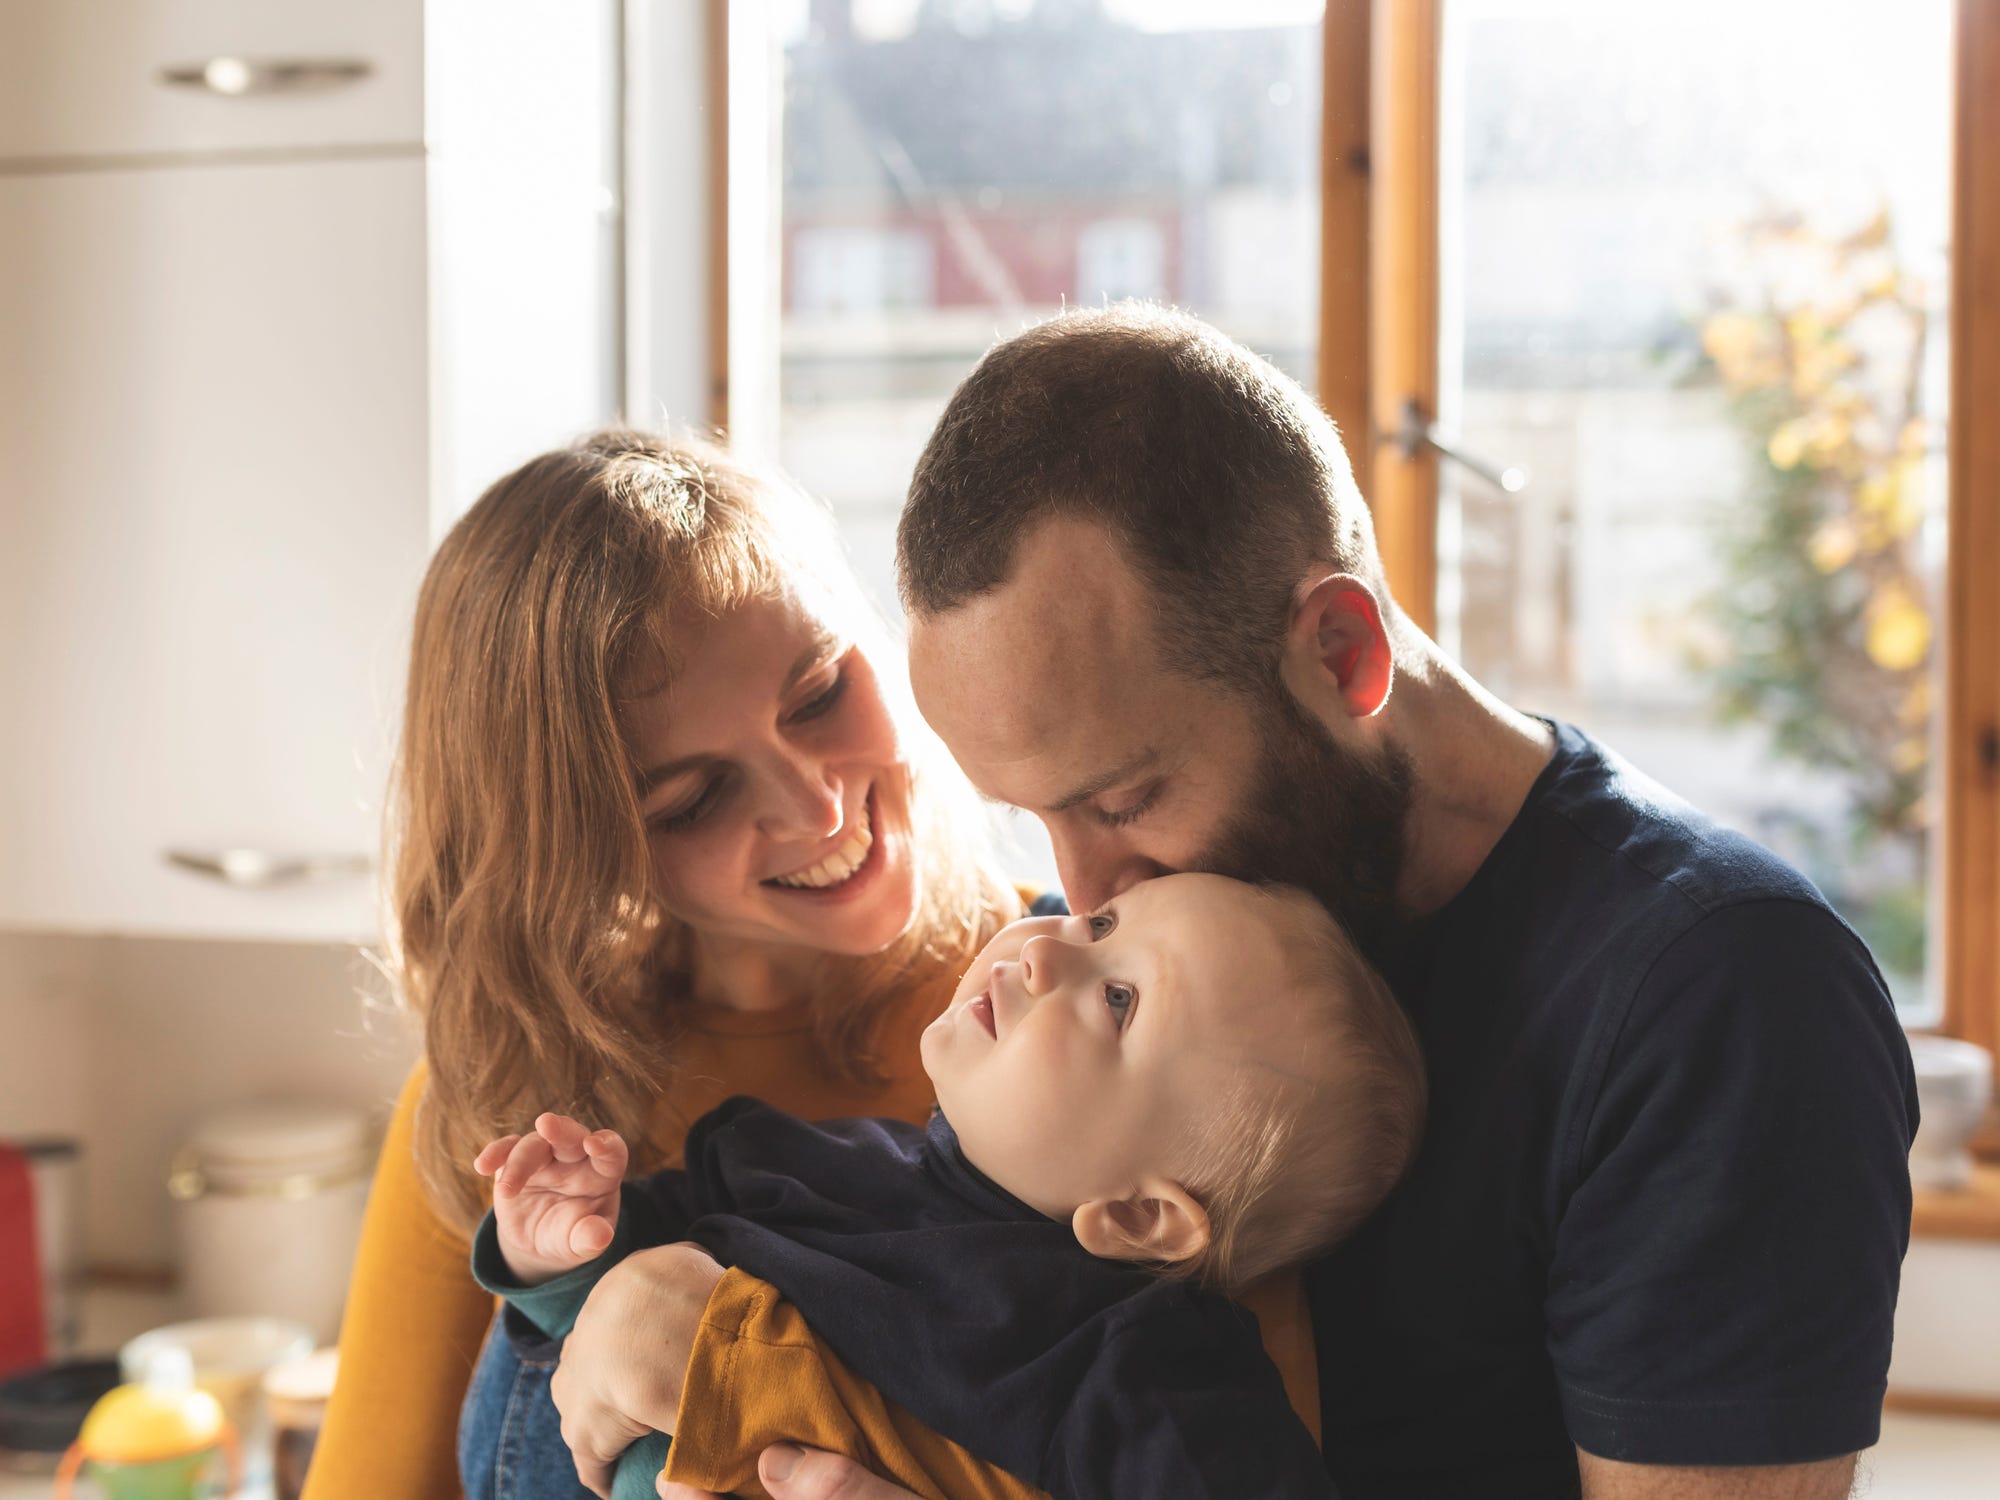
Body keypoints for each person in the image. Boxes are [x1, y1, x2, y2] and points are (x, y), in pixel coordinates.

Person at [558, 306, 1916, 1500]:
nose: (1069, 892)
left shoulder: (1716, 998)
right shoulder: (1095, 965)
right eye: (1034, 819)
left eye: (1125, 797)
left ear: (1342, 649)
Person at [302, 431, 1038, 1499]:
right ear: (577, 850)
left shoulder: (1102, 1009)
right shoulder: (500, 1117)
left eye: (820, 691)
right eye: (693, 800)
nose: (814, 806)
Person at [470, 874, 1424, 1500]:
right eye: (1102, 921)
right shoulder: (813, 1162)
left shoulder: (1134, 1364)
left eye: (1118, 998)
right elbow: (598, 1329)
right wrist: (560, 1241)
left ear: (1140, 1215)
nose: (1048, 943)